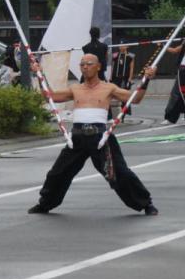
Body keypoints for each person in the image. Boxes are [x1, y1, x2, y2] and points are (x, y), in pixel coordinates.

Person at [27, 53, 158, 216]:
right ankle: (45, 204)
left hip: (101, 138)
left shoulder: (108, 88)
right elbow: (50, 97)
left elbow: (135, 98)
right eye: (82, 64)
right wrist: (40, 75)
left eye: (89, 64)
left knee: (119, 172)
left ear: (98, 67)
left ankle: (146, 204)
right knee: (57, 173)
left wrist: (146, 80)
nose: (85, 67)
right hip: (77, 138)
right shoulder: (76, 88)